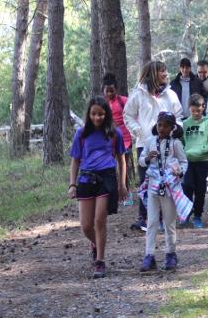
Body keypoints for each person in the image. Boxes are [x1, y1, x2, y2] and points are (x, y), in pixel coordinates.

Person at [68, 96, 127, 279]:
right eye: (94, 114)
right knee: (86, 226)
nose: (97, 118)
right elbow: (75, 160)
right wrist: (72, 184)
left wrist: (122, 184)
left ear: (106, 114)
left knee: (100, 220)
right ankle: (96, 244)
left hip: (107, 178)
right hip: (86, 179)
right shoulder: (81, 133)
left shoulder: (114, 133)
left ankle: (100, 261)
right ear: (89, 114)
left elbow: (122, 160)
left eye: (101, 114)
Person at [123, 61, 183, 232]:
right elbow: (128, 115)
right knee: (146, 181)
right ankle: (144, 218)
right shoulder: (138, 94)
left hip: (167, 145)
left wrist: (176, 129)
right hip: (146, 144)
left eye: (165, 71)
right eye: (162, 71)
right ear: (153, 73)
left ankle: (165, 218)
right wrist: (139, 131)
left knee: (165, 180)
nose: (165, 74)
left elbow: (178, 116)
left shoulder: (170, 95)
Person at [138, 112, 189, 272]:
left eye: (165, 126)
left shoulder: (176, 144)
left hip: (169, 188)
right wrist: (147, 159)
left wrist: (179, 171)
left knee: (169, 223)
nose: (161, 128)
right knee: (151, 222)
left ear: (172, 128)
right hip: (153, 187)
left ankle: (170, 254)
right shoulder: (149, 141)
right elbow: (140, 160)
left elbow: (184, 162)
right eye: (159, 125)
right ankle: (149, 255)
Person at [182, 94, 208, 228]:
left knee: (200, 189)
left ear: (203, 107)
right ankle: (185, 214)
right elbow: (180, 141)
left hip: (202, 161)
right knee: (187, 187)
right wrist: (184, 152)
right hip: (188, 162)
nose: (196, 113)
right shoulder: (185, 124)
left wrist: (205, 149)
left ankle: (197, 215)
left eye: (198, 110)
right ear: (189, 109)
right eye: (193, 111)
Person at [102, 73, 135, 206]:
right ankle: (113, 193)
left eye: (112, 90)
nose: (110, 93)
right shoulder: (102, 104)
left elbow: (132, 115)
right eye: (107, 91)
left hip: (125, 138)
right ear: (103, 91)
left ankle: (126, 194)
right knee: (110, 167)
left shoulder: (124, 101)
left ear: (116, 89)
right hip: (109, 140)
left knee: (124, 166)